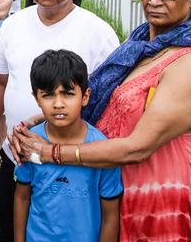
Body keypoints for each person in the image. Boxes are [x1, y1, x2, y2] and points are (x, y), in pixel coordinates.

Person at [10, 0, 191, 241]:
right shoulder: (140, 45)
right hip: (121, 186)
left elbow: (138, 148)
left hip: (163, 196)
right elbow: (104, 99)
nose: (153, 1)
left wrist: (50, 152)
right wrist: (36, 125)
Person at [0, 0, 119, 242]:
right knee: (12, 229)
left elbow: (109, 103)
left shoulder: (99, 33)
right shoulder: (13, 25)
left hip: (76, 164)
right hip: (17, 158)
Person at [13, 49, 122, 242]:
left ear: (85, 96)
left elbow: (110, 215)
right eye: (48, 95)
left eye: (68, 94)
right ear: (36, 98)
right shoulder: (30, 144)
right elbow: (22, 197)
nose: (58, 104)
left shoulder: (102, 149)